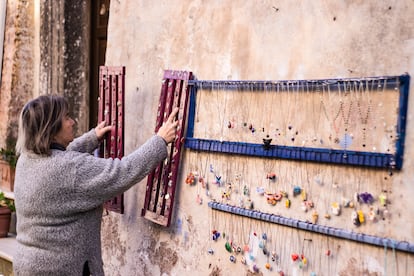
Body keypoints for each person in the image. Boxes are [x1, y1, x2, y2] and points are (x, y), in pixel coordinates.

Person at [13, 95, 178, 276]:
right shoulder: (70, 169)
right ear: (51, 129)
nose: (73, 122)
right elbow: (122, 171)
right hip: (61, 269)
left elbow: (59, 159)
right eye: (67, 117)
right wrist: (160, 140)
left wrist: (91, 138)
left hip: (26, 264)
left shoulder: (27, 159)